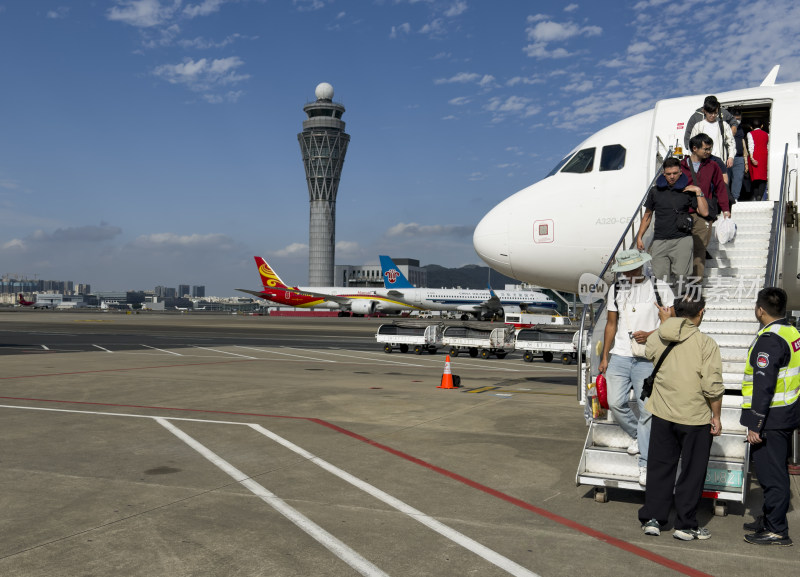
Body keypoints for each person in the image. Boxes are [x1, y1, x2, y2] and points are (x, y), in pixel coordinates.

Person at [638, 293, 724, 540]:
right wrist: (715, 416)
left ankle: (653, 519)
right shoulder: (706, 344)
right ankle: (685, 525)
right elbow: (712, 386)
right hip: (695, 416)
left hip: (663, 413)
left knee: (660, 466)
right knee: (692, 471)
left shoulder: (658, 336)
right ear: (701, 313)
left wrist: (666, 322)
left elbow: (651, 353)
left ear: (675, 311)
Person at [598, 249, 675, 485]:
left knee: (647, 410)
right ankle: (638, 436)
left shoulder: (660, 288)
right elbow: (611, 324)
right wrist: (604, 356)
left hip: (647, 357)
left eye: (632, 268)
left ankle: (644, 463)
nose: (629, 273)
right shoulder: (616, 289)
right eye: (624, 270)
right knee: (614, 402)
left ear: (641, 266)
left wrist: (651, 334)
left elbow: (671, 323)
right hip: (620, 355)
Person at [740, 287, 800, 546]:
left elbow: (764, 385)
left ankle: (777, 530)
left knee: (771, 475)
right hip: (785, 413)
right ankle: (768, 518)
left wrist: (756, 423)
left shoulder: (769, 339)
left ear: (760, 310)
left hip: (771, 418)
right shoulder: (792, 332)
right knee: (773, 472)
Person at [637, 158, 708, 288]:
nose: (672, 176)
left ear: (680, 172)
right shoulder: (654, 191)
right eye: (669, 174)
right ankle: (667, 307)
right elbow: (647, 215)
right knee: (661, 279)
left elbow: (704, 212)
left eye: (675, 173)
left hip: (682, 239)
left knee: (682, 276)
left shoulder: (687, 191)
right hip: (659, 240)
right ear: (663, 173)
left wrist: (698, 191)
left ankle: (680, 306)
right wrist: (640, 236)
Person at [681, 134, 731, 281]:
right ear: (694, 148)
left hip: (703, 213)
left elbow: (720, 188)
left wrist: (725, 209)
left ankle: (695, 286)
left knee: (699, 249)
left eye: (710, 149)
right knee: (682, 250)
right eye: (706, 149)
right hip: (683, 213)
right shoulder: (681, 166)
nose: (709, 152)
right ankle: (682, 283)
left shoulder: (712, 165)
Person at [689, 100, 736, 185]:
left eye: (715, 113)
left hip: (719, 161)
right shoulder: (698, 126)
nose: (713, 115)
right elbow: (692, 145)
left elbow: (731, 142)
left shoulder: (723, 125)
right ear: (705, 111)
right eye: (710, 113)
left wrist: (731, 157)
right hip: (702, 163)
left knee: (721, 187)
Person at [747, 118, 769, 201]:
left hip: (755, 155)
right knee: (763, 178)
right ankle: (760, 195)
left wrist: (752, 158)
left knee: (754, 178)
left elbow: (751, 146)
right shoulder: (767, 134)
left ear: (751, 127)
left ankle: (757, 196)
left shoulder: (750, 134)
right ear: (762, 126)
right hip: (764, 156)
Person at [728, 109, 746, 201]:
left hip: (739, 157)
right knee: (726, 179)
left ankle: (735, 198)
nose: (737, 120)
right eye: (735, 118)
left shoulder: (741, 128)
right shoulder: (727, 128)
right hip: (729, 157)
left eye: (739, 118)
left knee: (738, 179)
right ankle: (726, 198)